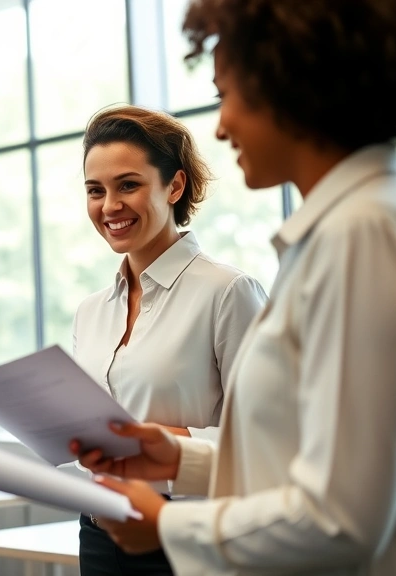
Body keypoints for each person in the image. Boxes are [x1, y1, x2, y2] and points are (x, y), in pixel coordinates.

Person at [70, 1, 396, 574]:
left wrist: (166, 525)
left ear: (291, 86)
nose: (222, 125)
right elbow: (299, 459)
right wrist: (179, 457)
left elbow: (341, 518)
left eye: (226, 94)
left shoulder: (363, 234)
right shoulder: (349, 229)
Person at [71, 104, 266, 576]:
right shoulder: (91, 310)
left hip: (187, 535)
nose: (109, 206)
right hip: (98, 531)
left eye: (128, 185)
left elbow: (270, 442)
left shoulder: (228, 292)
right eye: (96, 191)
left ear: (174, 186)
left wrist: (172, 441)